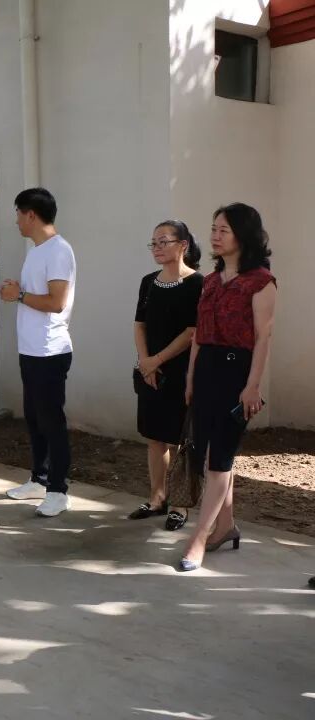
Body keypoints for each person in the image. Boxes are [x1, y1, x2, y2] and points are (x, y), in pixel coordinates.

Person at [179, 203, 276, 572]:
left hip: (237, 373)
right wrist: (191, 377)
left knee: (220, 459)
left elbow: (263, 338)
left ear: (243, 235)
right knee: (210, 456)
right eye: (214, 228)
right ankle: (226, 526)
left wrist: (253, 386)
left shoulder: (261, 281)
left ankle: (199, 538)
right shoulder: (209, 281)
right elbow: (200, 335)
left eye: (224, 230)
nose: (215, 236)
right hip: (205, 369)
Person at [1, 188, 77, 517]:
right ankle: (39, 479)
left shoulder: (58, 251)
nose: (16, 221)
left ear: (31, 214)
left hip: (50, 351)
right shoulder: (36, 251)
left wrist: (18, 296)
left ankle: (58, 491)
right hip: (31, 350)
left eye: (18, 214)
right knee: (34, 419)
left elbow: (56, 303)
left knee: (52, 422)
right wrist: (18, 292)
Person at [130, 221, 203, 531]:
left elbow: (191, 331)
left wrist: (156, 360)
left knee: (178, 440)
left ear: (183, 245)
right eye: (154, 243)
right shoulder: (148, 282)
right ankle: (157, 499)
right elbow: (140, 324)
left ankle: (179, 505)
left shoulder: (197, 283)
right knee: (154, 438)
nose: (157, 248)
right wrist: (145, 361)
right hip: (150, 371)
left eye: (164, 241)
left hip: (180, 371)